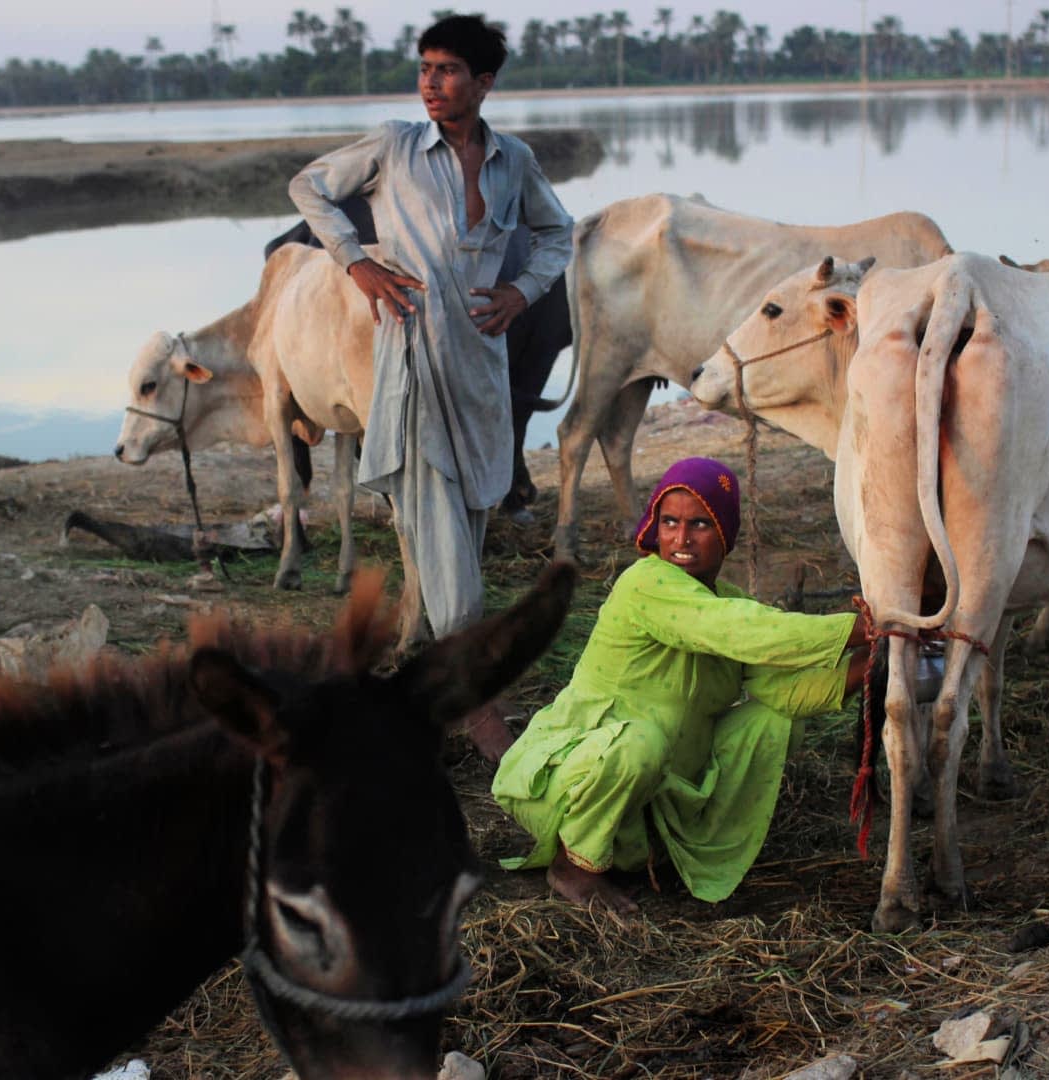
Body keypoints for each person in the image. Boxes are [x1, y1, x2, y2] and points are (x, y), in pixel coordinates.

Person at [287, 15, 573, 647]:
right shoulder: (394, 146)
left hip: (481, 370)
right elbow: (308, 187)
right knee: (435, 511)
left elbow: (558, 234)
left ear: (483, 82)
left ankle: (440, 657)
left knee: (469, 515)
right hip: (412, 362)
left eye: (447, 70)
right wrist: (356, 262)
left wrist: (520, 293)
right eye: (424, 68)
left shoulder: (513, 161)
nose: (431, 83)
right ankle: (468, 677)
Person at [490, 457, 873, 913]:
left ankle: (677, 843)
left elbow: (782, 690)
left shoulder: (729, 603)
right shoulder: (646, 582)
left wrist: (876, 653)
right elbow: (742, 630)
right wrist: (861, 625)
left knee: (772, 721)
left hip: (656, 784)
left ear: (725, 534)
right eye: (668, 522)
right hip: (579, 773)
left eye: (700, 524)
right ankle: (575, 867)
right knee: (640, 743)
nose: (681, 539)